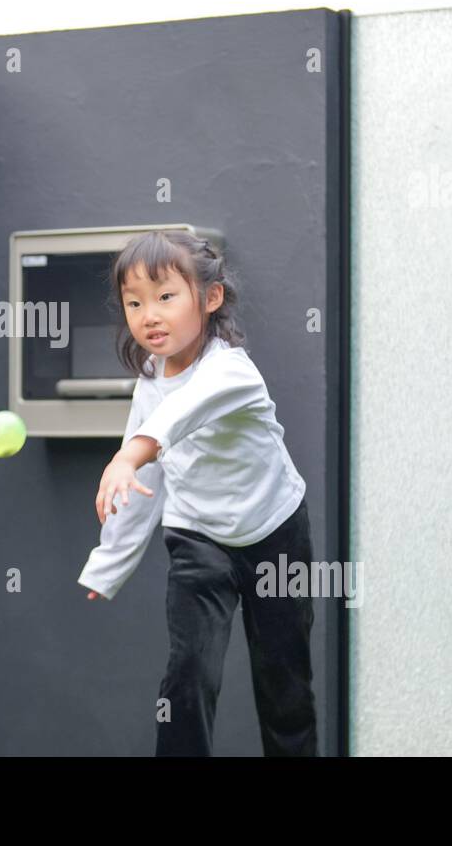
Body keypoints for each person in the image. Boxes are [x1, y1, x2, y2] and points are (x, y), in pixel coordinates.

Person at [77, 229, 317, 757]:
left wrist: (128, 454)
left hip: (274, 532)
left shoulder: (232, 370)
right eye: (134, 302)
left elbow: (180, 416)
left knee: (285, 683)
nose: (149, 315)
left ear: (210, 299)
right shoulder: (149, 380)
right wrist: (109, 562)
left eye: (166, 297)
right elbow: (145, 486)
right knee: (188, 677)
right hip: (197, 537)